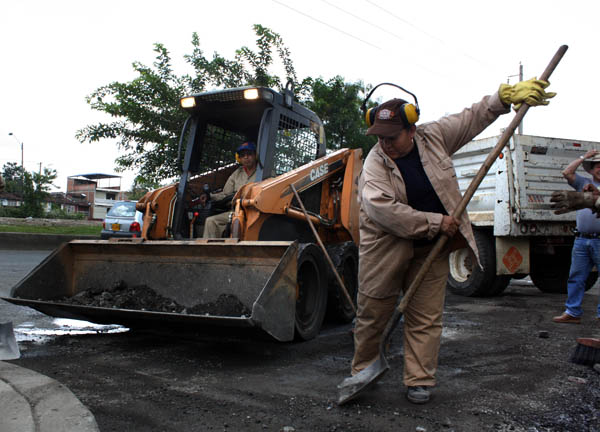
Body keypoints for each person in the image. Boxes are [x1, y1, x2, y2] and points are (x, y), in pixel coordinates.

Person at [346, 78, 556, 405]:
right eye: (380, 137)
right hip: (386, 248)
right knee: (373, 313)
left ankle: (419, 379)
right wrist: (436, 222)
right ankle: (363, 371)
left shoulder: (434, 137)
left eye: (392, 137)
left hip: (433, 247)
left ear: (412, 130)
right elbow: (383, 210)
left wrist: (501, 99)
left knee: (426, 316)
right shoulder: (375, 163)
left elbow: (470, 118)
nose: (385, 144)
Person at [551, 150, 600, 324]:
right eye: (597, 166)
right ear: (591, 169)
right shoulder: (584, 183)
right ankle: (572, 312)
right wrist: (583, 157)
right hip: (581, 239)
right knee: (576, 277)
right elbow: (567, 172)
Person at [201, 141, 258, 238]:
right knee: (211, 221)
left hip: (256, 212)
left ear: (255, 156)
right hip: (236, 212)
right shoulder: (237, 173)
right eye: (242, 155)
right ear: (239, 158)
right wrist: (209, 196)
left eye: (249, 154)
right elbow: (225, 194)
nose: (246, 157)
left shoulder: (264, 171)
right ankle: (211, 247)